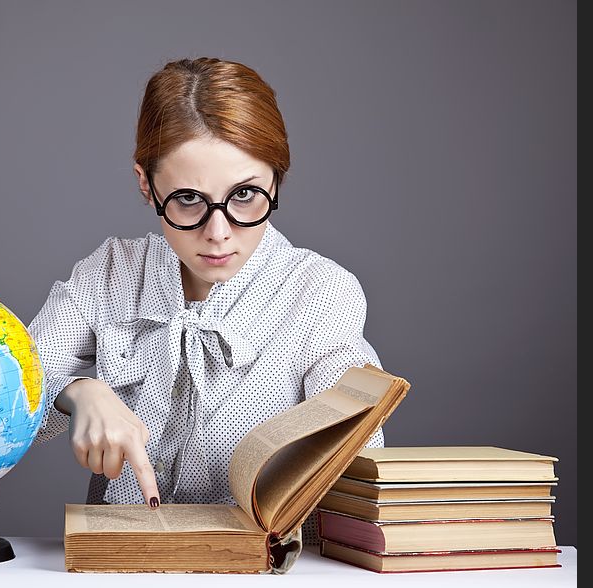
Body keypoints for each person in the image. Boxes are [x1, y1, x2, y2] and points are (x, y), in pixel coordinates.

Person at [28, 57, 384, 547]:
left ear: (276, 182)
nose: (218, 234)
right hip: (123, 567)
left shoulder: (321, 292)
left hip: (263, 573)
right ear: (145, 184)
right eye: (189, 200)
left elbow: (359, 453)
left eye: (246, 196)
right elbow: (16, 383)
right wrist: (82, 391)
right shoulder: (106, 275)